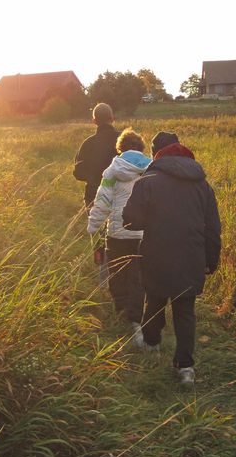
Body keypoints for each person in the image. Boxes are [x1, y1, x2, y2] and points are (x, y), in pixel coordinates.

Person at [122, 131, 221, 386]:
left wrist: (151, 220)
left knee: (154, 300)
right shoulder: (201, 184)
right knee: (185, 311)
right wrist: (211, 259)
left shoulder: (148, 180)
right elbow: (213, 227)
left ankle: (152, 344)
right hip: (192, 255)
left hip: (157, 253)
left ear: (156, 153)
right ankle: (185, 367)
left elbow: (130, 219)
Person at [87, 128, 150, 345]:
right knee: (138, 276)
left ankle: (121, 309)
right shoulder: (151, 170)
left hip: (116, 234)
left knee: (116, 272)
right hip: (143, 234)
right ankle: (135, 317)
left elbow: (103, 201)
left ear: (120, 148)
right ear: (141, 148)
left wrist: (93, 226)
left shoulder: (112, 171)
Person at [73, 103, 120, 210]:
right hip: (121, 196)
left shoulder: (87, 144)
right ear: (112, 119)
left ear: (94, 121)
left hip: (93, 196)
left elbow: (78, 173)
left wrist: (94, 177)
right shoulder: (125, 139)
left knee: (96, 226)